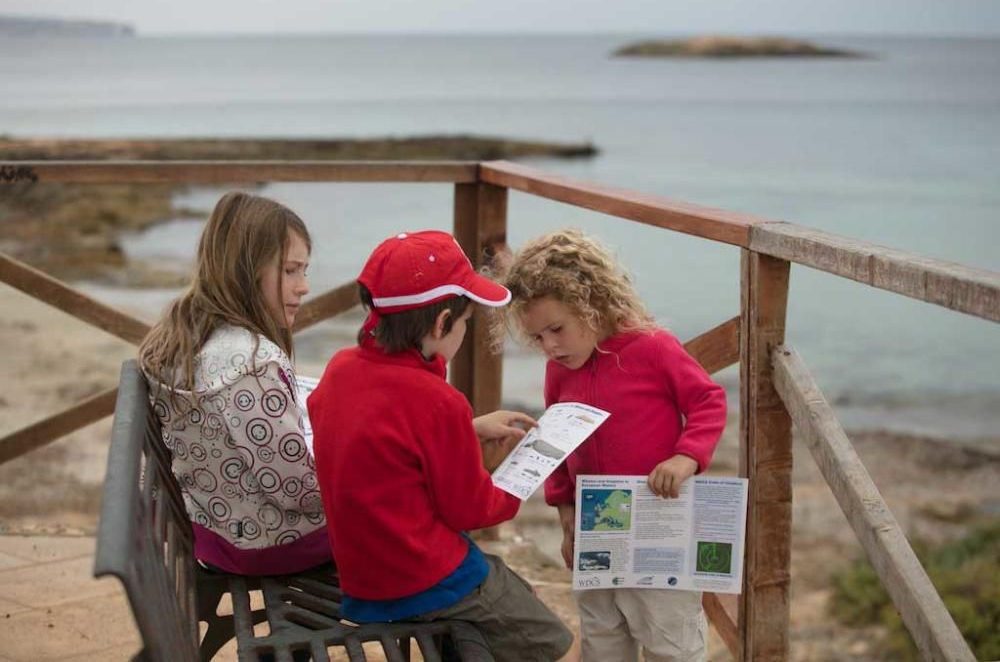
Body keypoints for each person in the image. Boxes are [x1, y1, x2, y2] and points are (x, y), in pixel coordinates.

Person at [307, 230, 575, 662]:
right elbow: (470, 512)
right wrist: (520, 477)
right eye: (467, 322)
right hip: (418, 578)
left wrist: (465, 431)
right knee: (556, 644)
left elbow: (382, 445)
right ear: (441, 323)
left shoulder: (340, 370)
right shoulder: (438, 402)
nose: (467, 331)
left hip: (363, 575)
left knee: (508, 586)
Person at [492, 228, 727, 662]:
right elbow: (556, 442)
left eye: (556, 329)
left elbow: (707, 399)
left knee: (669, 639)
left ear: (592, 302)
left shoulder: (654, 348)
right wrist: (565, 515)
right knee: (602, 636)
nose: (549, 346)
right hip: (596, 527)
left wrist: (686, 456)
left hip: (659, 521)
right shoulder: (559, 371)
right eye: (537, 337)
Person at [138, 191, 331, 576]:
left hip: (219, 531)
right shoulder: (253, 364)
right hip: (275, 543)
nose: (304, 286)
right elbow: (299, 492)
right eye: (291, 270)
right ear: (248, 269)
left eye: (304, 271)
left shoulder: (182, 334)